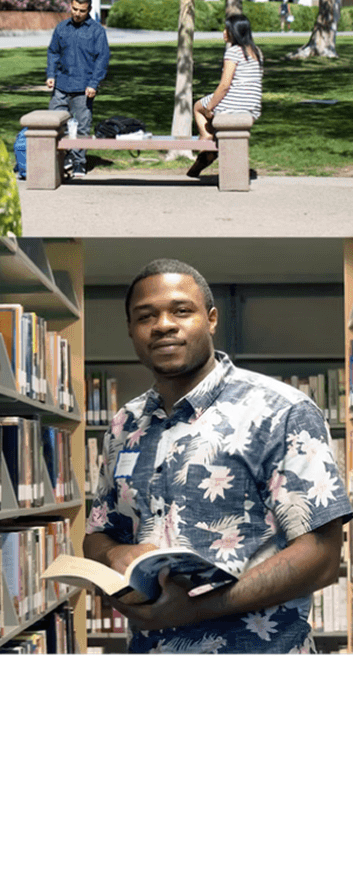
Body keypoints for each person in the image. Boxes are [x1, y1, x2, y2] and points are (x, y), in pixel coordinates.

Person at [83, 259, 350, 654]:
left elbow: (323, 557)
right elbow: (99, 532)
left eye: (181, 310)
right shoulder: (126, 424)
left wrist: (194, 611)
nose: (163, 325)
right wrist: (115, 553)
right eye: (145, 316)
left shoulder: (281, 411)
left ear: (211, 319)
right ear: (131, 330)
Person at [188, 12, 263, 180]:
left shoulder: (233, 52)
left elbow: (224, 86)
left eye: (226, 29)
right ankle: (209, 150)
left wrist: (210, 107)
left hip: (234, 102)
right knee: (213, 112)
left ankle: (207, 138)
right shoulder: (257, 52)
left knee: (198, 107)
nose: (223, 32)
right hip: (253, 105)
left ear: (234, 32)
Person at [45, 0, 110, 179]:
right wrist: (51, 74)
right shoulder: (61, 28)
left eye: (82, 10)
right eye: (74, 9)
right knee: (54, 124)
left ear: (89, 9)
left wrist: (94, 83)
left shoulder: (97, 31)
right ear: (70, 6)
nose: (77, 13)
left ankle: (79, 163)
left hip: (84, 87)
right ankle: (60, 159)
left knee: (82, 126)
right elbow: (53, 52)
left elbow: (102, 59)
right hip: (61, 85)